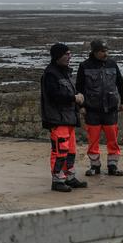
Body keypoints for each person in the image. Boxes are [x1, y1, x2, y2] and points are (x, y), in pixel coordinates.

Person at [75, 39, 123, 176]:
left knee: (113, 139)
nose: (106, 53)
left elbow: (120, 83)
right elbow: (79, 88)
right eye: (102, 51)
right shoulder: (84, 66)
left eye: (106, 51)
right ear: (95, 52)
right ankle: (94, 166)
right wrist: (81, 106)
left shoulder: (112, 64)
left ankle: (113, 165)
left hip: (111, 109)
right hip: (92, 110)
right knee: (93, 140)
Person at [41, 43, 87, 193]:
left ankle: (69, 177)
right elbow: (54, 96)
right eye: (66, 54)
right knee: (60, 151)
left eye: (69, 54)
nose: (69, 56)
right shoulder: (50, 74)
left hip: (69, 118)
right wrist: (74, 98)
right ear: (57, 56)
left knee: (71, 150)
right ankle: (57, 180)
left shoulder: (65, 73)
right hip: (57, 119)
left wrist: (79, 107)